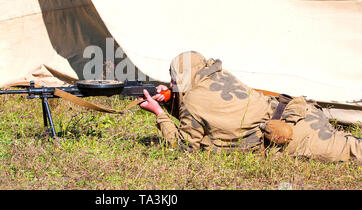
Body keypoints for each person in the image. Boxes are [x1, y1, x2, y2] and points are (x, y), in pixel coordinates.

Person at [139, 51, 361, 162]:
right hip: (299, 111)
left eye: (174, 79)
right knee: (351, 143)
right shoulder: (218, 76)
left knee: (355, 152)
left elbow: (184, 146)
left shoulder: (194, 100)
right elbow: (208, 115)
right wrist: (171, 101)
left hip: (293, 136)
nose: (170, 84)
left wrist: (159, 113)